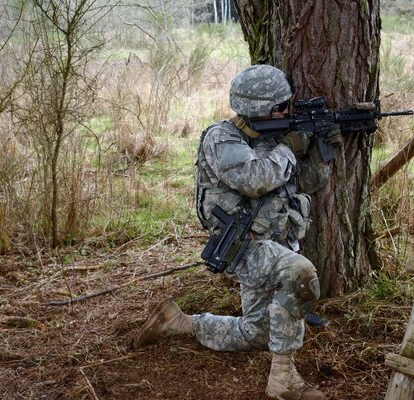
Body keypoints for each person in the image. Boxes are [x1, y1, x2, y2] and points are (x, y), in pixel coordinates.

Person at [133, 64, 340, 400]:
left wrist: (320, 153)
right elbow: (256, 180)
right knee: (300, 273)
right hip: (243, 247)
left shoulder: (271, 137)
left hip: (274, 242)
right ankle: (283, 382)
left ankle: (179, 322)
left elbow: (303, 182)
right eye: (282, 106)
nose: (288, 110)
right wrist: (289, 147)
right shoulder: (221, 138)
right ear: (262, 109)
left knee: (256, 334)